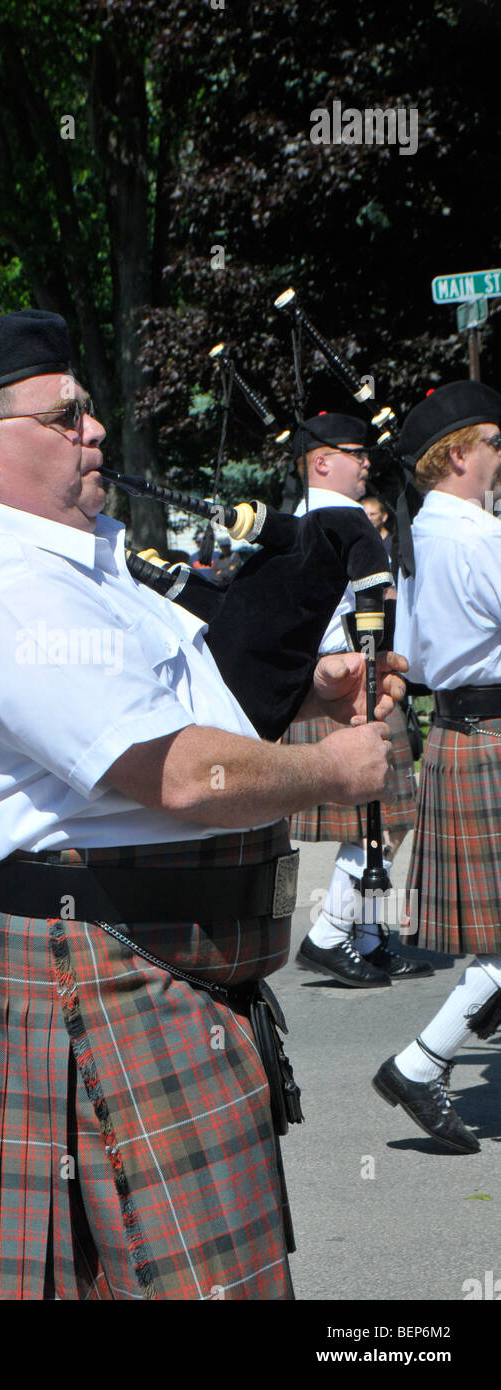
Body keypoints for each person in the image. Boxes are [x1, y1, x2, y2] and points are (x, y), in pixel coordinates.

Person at [0, 310, 402, 1301]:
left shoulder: (66, 560)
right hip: (88, 969)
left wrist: (307, 694)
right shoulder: (4, 585)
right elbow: (171, 772)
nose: (94, 431)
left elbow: (167, 694)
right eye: (66, 416)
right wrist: (330, 771)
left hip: (139, 961)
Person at [372, 381, 501, 1153]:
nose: (498, 458)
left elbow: (416, 658)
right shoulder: (477, 539)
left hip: (461, 734)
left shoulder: (423, 536)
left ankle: (421, 1061)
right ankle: (418, 1063)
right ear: (456, 455)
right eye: (492, 444)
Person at [282, 413, 429, 987]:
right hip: (343, 680)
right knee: (379, 824)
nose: (367, 462)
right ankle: (329, 935)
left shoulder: (318, 518)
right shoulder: (328, 521)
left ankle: (368, 938)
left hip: (349, 677)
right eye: (355, 453)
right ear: (321, 461)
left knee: (379, 822)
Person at [361, 492, 396, 568]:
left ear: (384, 517)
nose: (368, 518)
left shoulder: (394, 544)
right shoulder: (358, 544)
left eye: (373, 514)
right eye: (364, 514)